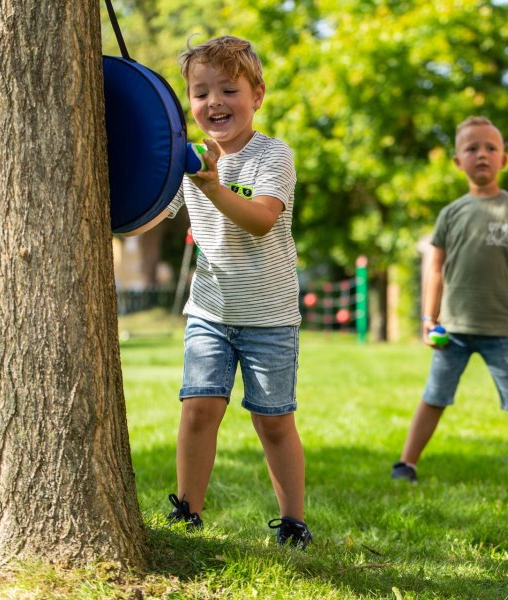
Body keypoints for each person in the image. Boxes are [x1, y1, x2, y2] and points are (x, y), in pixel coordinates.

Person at [164, 35, 312, 548]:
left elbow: (261, 220)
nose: (214, 102)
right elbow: (151, 216)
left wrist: (212, 185)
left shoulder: (273, 155)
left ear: (258, 95)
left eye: (229, 89)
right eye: (201, 93)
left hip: (269, 316)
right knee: (198, 408)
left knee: (273, 421)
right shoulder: (187, 161)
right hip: (209, 310)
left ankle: (293, 521)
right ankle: (188, 512)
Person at [391, 116, 508, 495]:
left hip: (501, 330)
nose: (482, 154)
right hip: (452, 330)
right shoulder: (450, 214)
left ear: (504, 159)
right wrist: (429, 317)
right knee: (434, 397)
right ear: (458, 161)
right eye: (472, 148)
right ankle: (406, 464)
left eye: (491, 147)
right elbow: (435, 268)